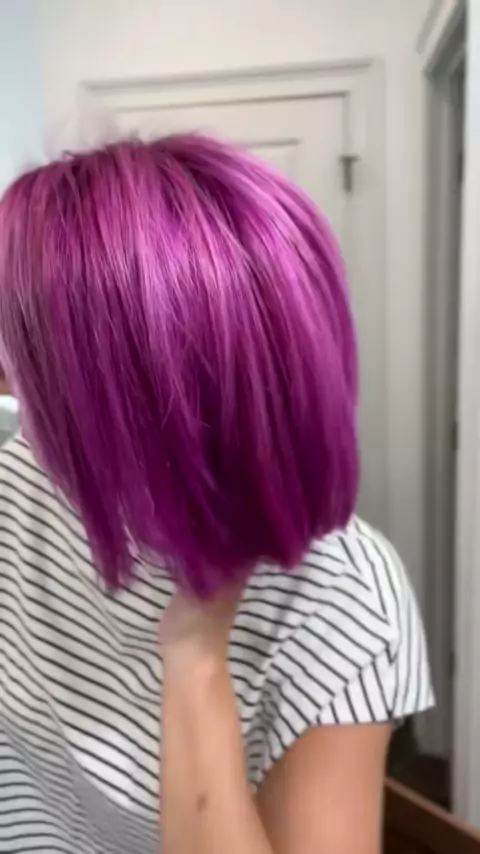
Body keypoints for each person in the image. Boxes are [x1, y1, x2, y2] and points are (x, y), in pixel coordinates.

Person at [0, 135, 433, 854]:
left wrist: (196, 649)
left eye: (19, 347)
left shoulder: (341, 598)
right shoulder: (19, 480)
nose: (7, 376)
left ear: (121, 393)